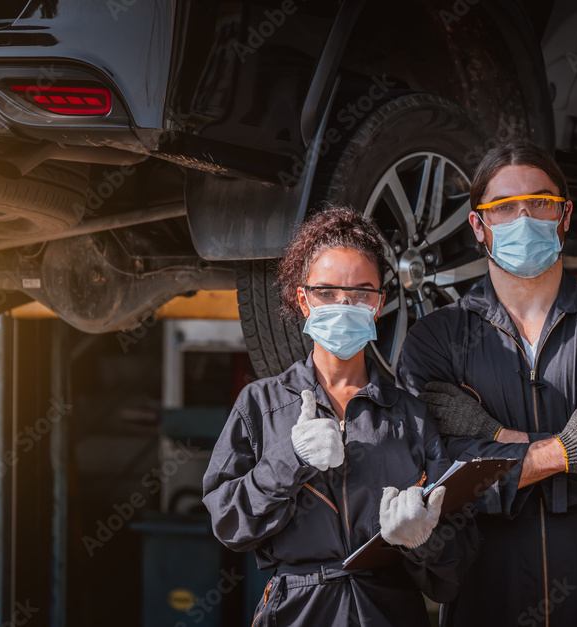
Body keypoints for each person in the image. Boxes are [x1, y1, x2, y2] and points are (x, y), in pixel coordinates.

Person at [396, 139, 577, 626]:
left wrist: (496, 443)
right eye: (504, 208)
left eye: (541, 203)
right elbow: (436, 481)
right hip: (487, 587)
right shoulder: (435, 341)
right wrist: (567, 451)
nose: (524, 219)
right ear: (478, 226)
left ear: (564, 217)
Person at [202, 205, 477, 627]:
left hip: (389, 612)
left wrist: (424, 541)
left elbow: (454, 574)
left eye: (361, 293)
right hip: (296, 612)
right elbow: (229, 523)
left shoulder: (411, 417)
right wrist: (289, 459)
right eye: (327, 293)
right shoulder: (261, 405)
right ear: (303, 299)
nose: (344, 305)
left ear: (379, 303)